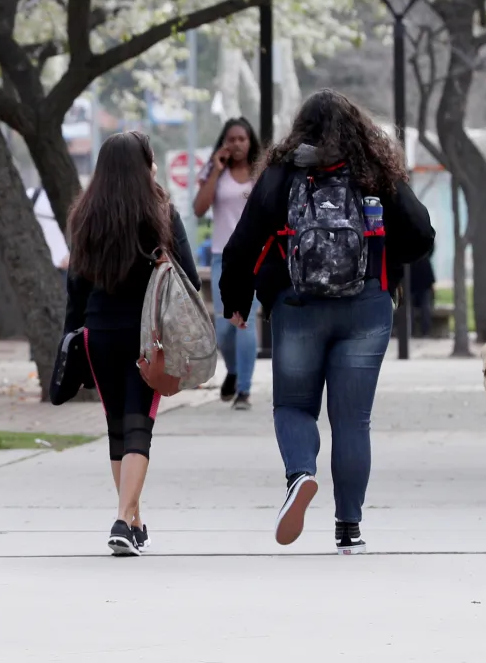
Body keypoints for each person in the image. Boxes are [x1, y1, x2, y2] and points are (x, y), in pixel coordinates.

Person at [215, 90, 434, 555]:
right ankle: (349, 527)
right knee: (353, 420)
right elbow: (421, 235)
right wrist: (384, 263)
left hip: (297, 308)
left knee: (293, 407)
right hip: (367, 307)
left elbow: (241, 244)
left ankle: (301, 474)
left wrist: (237, 298)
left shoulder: (280, 173)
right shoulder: (376, 172)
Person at [62, 131, 199, 557]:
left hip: (98, 335)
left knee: (117, 427)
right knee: (140, 424)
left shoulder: (85, 216)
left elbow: (76, 287)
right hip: (146, 337)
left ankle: (134, 521)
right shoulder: (160, 214)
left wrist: (72, 341)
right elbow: (190, 279)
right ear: (145, 166)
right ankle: (122, 520)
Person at [193, 118, 261, 409]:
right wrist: (216, 170)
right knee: (224, 328)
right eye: (231, 139)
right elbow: (198, 209)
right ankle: (232, 372)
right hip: (223, 256)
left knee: (244, 323)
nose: (236, 144)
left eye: (242, 139)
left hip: (254, 256)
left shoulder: (261, 172)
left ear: (250, 141)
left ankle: (244, 390)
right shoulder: (214, 172)